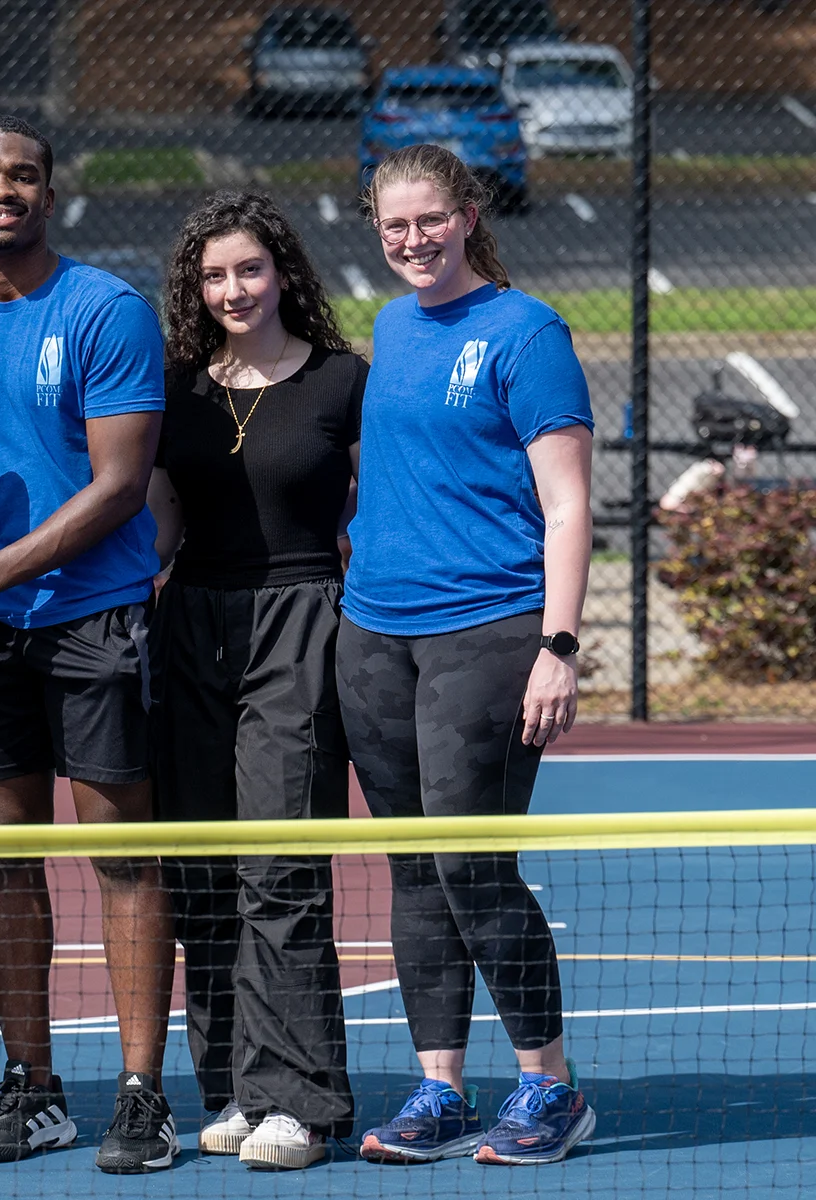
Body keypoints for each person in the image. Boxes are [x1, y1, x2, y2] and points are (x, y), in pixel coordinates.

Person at [0, 115, 178, 1174]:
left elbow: (116, 487)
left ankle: (141, 1092)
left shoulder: (105, 310)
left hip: (93, 622)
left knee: (123, 857)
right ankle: (34, 1082)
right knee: (6, 858)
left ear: (47, 195)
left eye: (20, 174)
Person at [346, 143, 597, 1167]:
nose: (410, 241)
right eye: (391, 224)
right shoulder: (390, 323)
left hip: (488, 632)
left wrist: (558, 647)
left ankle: (549, 1088)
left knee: (471, 865)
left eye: (427, 221)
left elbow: (568, 503)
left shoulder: (525, 331)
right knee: (413, 872)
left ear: (466, 216)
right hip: (371, 635)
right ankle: (438, 1089)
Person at [143, 190, 362, 1171]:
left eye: (249, 269)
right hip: (189, 624)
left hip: (300, 619)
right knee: (201, 873)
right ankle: (234, 1084)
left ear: (283, 274)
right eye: (213, 275)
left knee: (278, 868)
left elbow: (381, 510)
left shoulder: (339, 382)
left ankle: (300, 1102)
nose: (232, 289)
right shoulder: (175, 389)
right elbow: (153, 524)